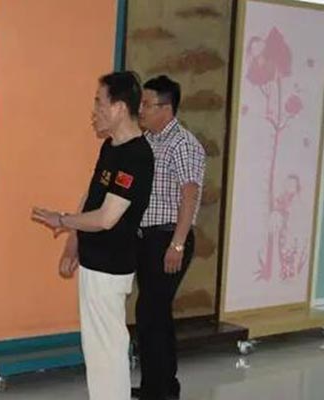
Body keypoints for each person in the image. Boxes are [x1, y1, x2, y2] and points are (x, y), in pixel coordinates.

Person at [32, 71, 154, 400]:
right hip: (93, 262)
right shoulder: (111, 147)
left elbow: (107, 218)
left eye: (100, 102)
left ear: (119, 108)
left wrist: (61, 219)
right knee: (97, 350)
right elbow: (92, 197)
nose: (94, 111)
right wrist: (72, 242)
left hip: (111, 267)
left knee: (108, 351)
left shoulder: (137, 156)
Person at [133, 75, 206, 400]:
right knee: (152, 313)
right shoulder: (148, 140)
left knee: (152, 310)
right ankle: (156, 386)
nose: (141, 110)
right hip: (147, 239)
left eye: (147, 104)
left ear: (166, 108)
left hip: (169, 238)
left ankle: (163, 389)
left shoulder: (183, 143)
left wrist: (177, 243)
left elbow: (190, 196)